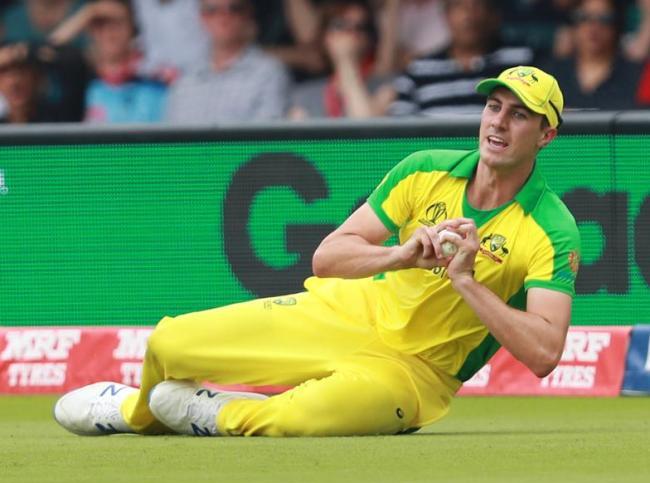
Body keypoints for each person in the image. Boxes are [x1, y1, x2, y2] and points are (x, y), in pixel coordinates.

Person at [54, 65, 580, 438]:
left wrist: (466, 281)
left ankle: (220, 414)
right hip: (344, 314)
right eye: (494, 107)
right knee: (170, 342)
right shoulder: (425, 168)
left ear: (546, 135)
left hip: (414, 375)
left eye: (519, 115)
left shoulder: (553, 228)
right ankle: (137, 412)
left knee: (293, 420)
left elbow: (543, 354)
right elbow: (329, 258)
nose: (498, 123)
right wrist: (398, 257)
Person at [389, 0, 535, 117]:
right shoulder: (418, 69)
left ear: (493, 14)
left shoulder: (521, 62)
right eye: (459, 5)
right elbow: (400, 129)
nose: (469, 15)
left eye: (478, 5)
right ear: (446, 15)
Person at [164, 0, 290, 124]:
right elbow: (172, 138)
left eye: (234, 8)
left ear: (248, 13)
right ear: (201, 17)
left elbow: (266, 139)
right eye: (212, 10)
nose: (223, 16)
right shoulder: (186, 78)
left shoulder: (269, 74)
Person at [50, 0, 168, 123]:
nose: (109, 32)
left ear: (133, 29)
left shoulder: (151, 73)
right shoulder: (82, 75)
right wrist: (89, 12)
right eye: (100, 25)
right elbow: (47, 51)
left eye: (117, 24)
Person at [289, 0, 395, 119]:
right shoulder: (303, 96)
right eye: (340, 25)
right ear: (324, 36)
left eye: (360, 27)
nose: (350, 33)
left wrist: (346, 62)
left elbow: (365, 132)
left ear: (369, 39)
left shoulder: (386, 88)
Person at [543, 0, 643, 110]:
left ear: (617, 25)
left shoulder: (637, 75)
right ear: (573, 24)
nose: (593, 27)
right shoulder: (550, 75)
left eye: (605, 19)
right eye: (583, 17)